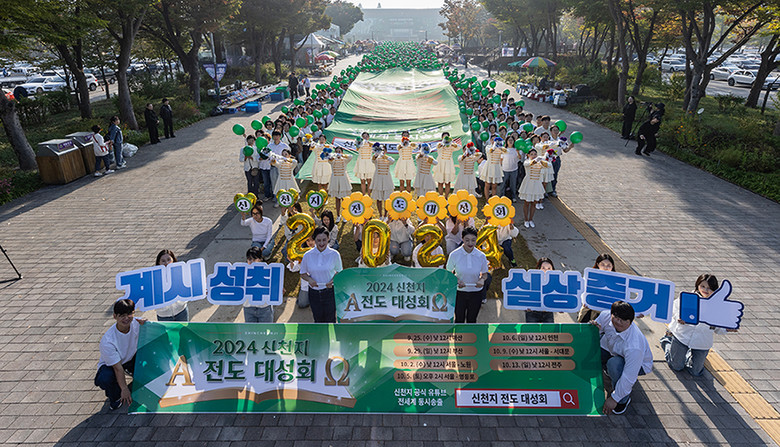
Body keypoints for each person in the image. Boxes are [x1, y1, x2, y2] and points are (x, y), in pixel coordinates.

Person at [660, 274, 736, 376]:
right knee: (677, 366)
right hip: (682, 336)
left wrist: (726, 329)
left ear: (715, 290)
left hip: (702, 342)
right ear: (697, 285)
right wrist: (679, 317)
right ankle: (667, 340)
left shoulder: (717, 306)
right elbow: (674, 308)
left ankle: (687, 354)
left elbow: (718, 329)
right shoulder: (688, 297)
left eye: (709, 288)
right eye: (702, 286)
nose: (705, 290)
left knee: (696, 372)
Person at [593, 301, 653, 415]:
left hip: (638, 364)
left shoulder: (634, 345)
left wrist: (614, 399)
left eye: (623, 320)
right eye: (616, 317)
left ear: (630, 321)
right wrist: (593, 328)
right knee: (594, 349)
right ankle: (611, 374)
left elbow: (629, 377)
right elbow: (594, 332)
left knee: (614, 365)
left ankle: (623, 400)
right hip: (612, 349)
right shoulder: (605, 315)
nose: (618, 322)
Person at [94, 299, 146, 410]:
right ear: (115, 316)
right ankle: (115, 396)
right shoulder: (108, 341)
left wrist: (147, 323)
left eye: (129, 314)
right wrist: (124, 389)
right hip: (112, 366)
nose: (126, 318)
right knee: (105, 378)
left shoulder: (137, 323)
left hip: (131, 358)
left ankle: (133, 372)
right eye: (122, 316)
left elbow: (153, 328)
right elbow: (117, 368)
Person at [300, 226, 343, 323]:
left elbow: (339, 272)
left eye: (324, 240)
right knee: (318, 320)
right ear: (314, 240)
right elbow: (303, 273)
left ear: (328, 238)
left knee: (330, 320)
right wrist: (310, 280)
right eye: (318, 240)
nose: (321, 243)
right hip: (314, 293)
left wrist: (332, 281)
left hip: (329, 293)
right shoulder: (307, 255)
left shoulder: (335, 254)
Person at [446, 227, 489, 323]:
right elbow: (448, 273)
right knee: (459, 319)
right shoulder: (454, 255)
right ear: (462, 239)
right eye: (467, 240)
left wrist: (482, 280)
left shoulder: (481, 256)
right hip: (459, 293)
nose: (470, 243)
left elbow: (485, 274)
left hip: (476, 293)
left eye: (473, 240)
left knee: (472, 320)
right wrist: (457, 281)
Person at [578, 253, 617, 323]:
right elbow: (582, 291)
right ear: (598, 264)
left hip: (607, 316)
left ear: (612, 266)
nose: (606, 268)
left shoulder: (617, 281)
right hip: (589, 312)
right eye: (602, 264)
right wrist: (584, 302)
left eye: (609, 265)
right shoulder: (590, 277)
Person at [154, 250, 189, 321]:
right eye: (163, 261)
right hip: (163, 315)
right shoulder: (153, 277)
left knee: (184, 328)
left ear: (173, 260)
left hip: (181, 311)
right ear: (159, 263)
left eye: (168, 259)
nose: (166, 263)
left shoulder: (181, 273)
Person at [518, 148, 548, 228]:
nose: (534, 156)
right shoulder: (527, 161)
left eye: (535, 154)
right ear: (528, 155)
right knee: (527, 203)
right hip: (528, 184)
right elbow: (529, 164)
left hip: (537, 184)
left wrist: (546, 157)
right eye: (531, 154)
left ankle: (531, 219)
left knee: (534, 203)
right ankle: (526, 219)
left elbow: (548, 165)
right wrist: (536, 160)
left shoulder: (540, 163)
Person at [244, 246, 274, 322]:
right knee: (251, 329)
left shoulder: (269, 271)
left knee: (266, 329)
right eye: (249, 259)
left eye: (254, 259)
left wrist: (279, 292)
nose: (251, 262)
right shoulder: (242, 273)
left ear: (260, 259)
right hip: (248, 308)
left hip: (264, 308)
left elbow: (275, 287)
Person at [526, 258, 555, 323]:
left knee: (549, 329)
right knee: (531, 329)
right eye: (543, 268)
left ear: (553, 270)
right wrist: (526, 306)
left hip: (548, 313)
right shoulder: (531, 280)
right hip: (533, 312)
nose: (546, 271)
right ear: (538, 269)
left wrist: (561, 307)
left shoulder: (556, 283)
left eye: (549, 268)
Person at [328, 147, 352, 222]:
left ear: (342, 152)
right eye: (336, 151)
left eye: (339, 151)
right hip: (335, 180)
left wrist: (342, 155)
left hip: (343, 179)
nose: (338, 153)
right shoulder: (332, 160)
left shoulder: (345, 159)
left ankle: (345, 215)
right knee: (337, 199)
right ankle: (338, 215)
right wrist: (333, 156)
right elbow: (329, 159)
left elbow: (350, 156)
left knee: (344, 198)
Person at [370, 145, 395, 217]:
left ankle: (386, 215)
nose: (382, 151)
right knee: (379, 199)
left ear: (386, 151)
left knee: (387, 199)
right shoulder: (376, 158)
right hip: (378, 179)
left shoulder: (388, 158)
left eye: (384, 150)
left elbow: (392, 161)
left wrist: (385, 156)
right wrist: (376, 154)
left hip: (387, 180)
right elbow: (373, 160)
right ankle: (381, 215)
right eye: (381, 150)